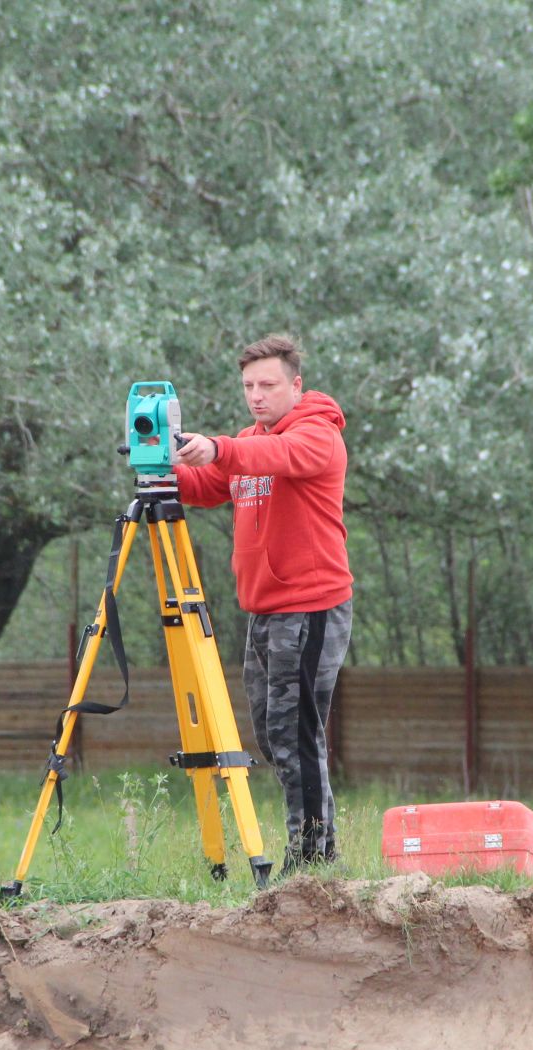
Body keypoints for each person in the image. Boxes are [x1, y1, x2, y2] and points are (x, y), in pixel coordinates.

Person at [172, 334, 353, 874]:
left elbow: (276, 456)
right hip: (265, 609)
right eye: (249, 385)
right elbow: (209, 484)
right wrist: (165, 468)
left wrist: (221, 448)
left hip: (310, 606)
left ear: (295, 385)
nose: (256, 395)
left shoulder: (317, 434)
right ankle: (313, 845)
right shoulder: (251, 440)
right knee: (275, 735)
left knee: (294, 733)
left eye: (268, 384)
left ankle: (314, 857)